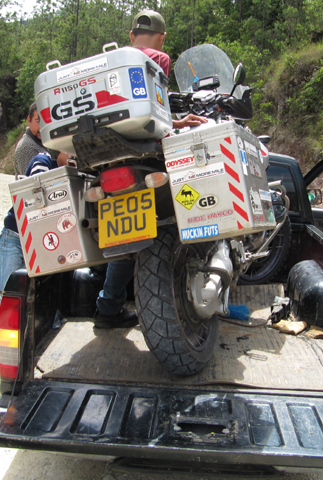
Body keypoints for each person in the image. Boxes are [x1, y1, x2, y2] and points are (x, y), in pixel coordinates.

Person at [92, 10, 210, 329]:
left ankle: (108, 308)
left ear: (131, 35)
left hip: (108, 158)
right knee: (189, 207)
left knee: (123, 233)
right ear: (162, 36)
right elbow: (155, 106)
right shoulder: (159, 57)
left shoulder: (112, 59)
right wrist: (179, 124)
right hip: (148, 155)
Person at [0, 152, 68, 376]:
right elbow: (35, 188)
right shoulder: (43, 161)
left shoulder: (73, 170)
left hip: (42, 242)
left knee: (44, 297)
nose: (74, 153)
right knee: (3, 295)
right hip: (16, 238)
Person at [13, 102, 66, 177]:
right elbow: (32, 182)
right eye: (38, 121)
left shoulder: (46, 142)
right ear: (29, 120)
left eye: (46, 122)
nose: (42, 127)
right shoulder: (27, 147)